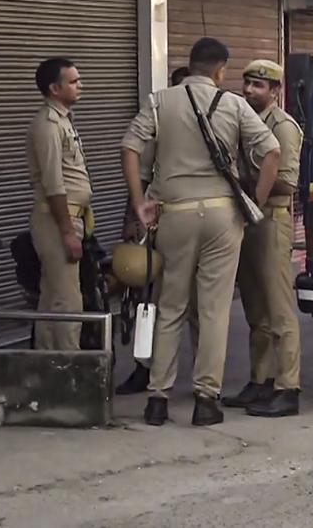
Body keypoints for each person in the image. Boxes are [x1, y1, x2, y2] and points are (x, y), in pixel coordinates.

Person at [121, 37, 282, 427]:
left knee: (171, 306)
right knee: (213, 310)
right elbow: (272, 152)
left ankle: (157, 398)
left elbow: (129, 148)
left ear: (189, 65)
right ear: (220, 70)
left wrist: (141, 200)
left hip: (173, 214)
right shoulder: (234, 104)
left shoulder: (160, 101)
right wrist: (254, 204)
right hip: (222, 215)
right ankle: (205, 400)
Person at [223, 59, 305, 417]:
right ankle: (261, 381)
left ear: (275, 91)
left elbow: (287, 183)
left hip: (272, 220)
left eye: (258, 86)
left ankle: (288, 387)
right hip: (248, 220)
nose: (249, 90)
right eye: (247, 84)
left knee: (279, 308)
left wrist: (244, 181)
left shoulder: (283, 128)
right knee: (256, 310)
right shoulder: (242, 121)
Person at [117, 67, 197, 395]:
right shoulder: (158, 128)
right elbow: (142, 176)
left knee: (201, 307)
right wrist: (132, 217)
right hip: (159, 223)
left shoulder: (214, 125)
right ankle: (145, 367)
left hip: (197, 223)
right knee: (152, 301)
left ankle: (204, 382)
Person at [26, 58, 91, 351]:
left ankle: (47, 367)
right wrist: (67, 232)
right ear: (54, 88)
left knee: (53, 298)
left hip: (70, 218)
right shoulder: (48, 125)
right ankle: (68, 369)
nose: (80, 86)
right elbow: (54, 185)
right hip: (57, 222)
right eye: (73, 81)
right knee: (67, 301)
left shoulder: (63, 118)